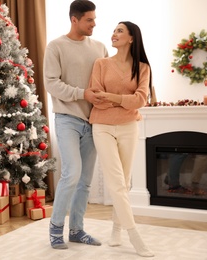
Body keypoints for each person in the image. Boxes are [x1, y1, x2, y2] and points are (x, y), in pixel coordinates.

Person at [43, 0, 108, 250]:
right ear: (74, 20)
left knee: (86, 181)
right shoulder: (56, 46)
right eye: (89, 19)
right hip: (67, 118)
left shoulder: (100, 47)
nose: (94, 23)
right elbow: (51, 83)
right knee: (71, 174)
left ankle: (77, 230)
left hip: (94, 121)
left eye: (94, 19)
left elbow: (106, 81)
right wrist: (83, 94)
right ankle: (56, 228)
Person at [88, 21, 154, 257]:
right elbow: (96, 98)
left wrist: (110, 96)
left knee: (124, 183)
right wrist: (122, 98)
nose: (113, 34)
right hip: (102, 126)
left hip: (128, 127)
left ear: (131, 38)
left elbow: (141, 100)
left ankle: (116, 230)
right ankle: (134, 235)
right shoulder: (101, 63)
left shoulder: (142, 68)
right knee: (116, 181)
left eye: (119, 31)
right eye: (114, 30)